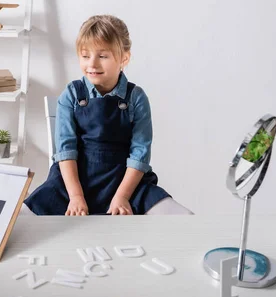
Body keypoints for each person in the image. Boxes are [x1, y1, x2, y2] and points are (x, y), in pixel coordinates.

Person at [24, 15, 191, 216]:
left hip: (126, 182)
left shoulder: (136, 98)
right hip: (73, 181)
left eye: (102, 56)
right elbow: (65, 150)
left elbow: (140, 153)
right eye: (85, 56)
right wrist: (76, 197)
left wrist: (122, 196)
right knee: (20, 219)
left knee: (183, 217)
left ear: (124, 58)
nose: (92, 64)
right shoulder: (71, 95)